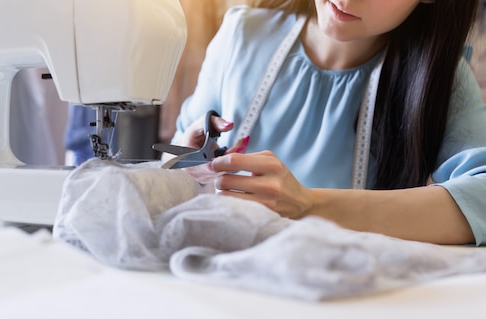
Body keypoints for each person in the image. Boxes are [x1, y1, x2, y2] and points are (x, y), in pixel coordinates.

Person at [172, 0, 486, 245]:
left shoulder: (439, 80)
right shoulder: (240, 35)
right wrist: (187, 159)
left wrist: (309, 205)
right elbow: (168, 166)